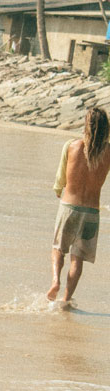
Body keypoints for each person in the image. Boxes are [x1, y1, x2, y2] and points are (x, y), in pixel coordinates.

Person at [47, 106, 110, 306]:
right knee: (78, 259)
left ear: (86, 124)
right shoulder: (108, 152)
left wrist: (58, 190)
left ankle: (55, 281)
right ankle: (65, 300)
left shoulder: (71, 146)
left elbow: (60, 179)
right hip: (91, 211)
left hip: (69, 207)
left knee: (58, 249)